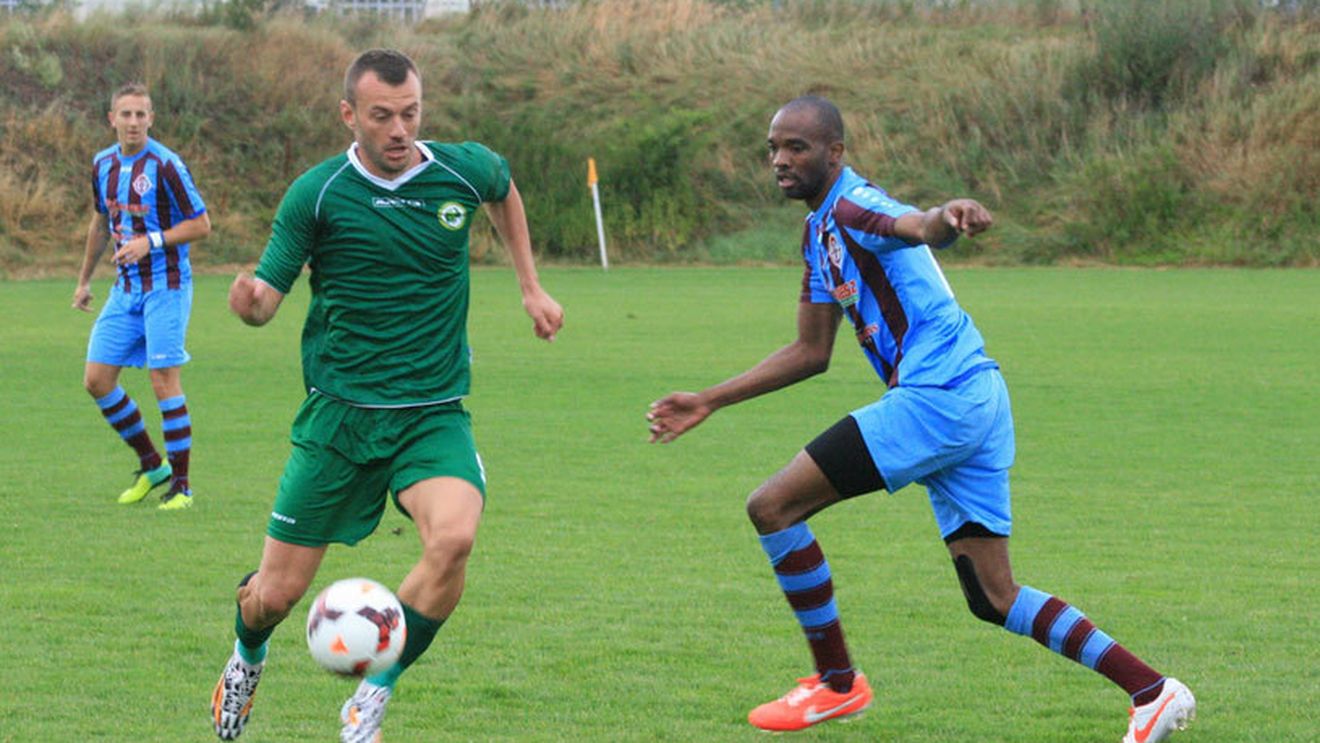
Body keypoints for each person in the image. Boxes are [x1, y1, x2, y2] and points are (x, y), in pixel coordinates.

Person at [646, 96, 1196, 741]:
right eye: (773, 148)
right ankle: (1153, 692)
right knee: (993, 598)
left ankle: (836, 684)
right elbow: (809, 352)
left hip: (938, 396)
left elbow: (910, 225)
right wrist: (710, 398)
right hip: (975, 399)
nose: (780, 160)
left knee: (773, 507)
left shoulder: (853, 204)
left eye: (796, 147)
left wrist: (944, 218)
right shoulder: (819, 231)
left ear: (835, 152)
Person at [210, 49, 563, 742]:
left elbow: (504, 189)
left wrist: (530, 284)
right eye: (382, 116)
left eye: (411, 113)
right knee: (273, 597)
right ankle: (246, 657)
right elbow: (266, 300)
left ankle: (373, 690)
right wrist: (249, 304)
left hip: (431, 414)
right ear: (350, 115)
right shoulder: (317, 193)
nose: (400, 129)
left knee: (454, 538)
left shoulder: (462, 168)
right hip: (339, 418)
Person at [74, 82, 212, 511]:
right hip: (125, 291)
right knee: (96, 381)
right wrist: (83, 280)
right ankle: (153, 466)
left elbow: (201, 224)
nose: (133, 122)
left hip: (166, 288)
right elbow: (101, 223)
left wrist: (150, 241)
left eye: (141, 114)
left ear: (151, 119)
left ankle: (183, 487)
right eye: (126, 114)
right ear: (111, 119)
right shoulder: (102, 165)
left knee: (162, 380)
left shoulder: (166, 165)